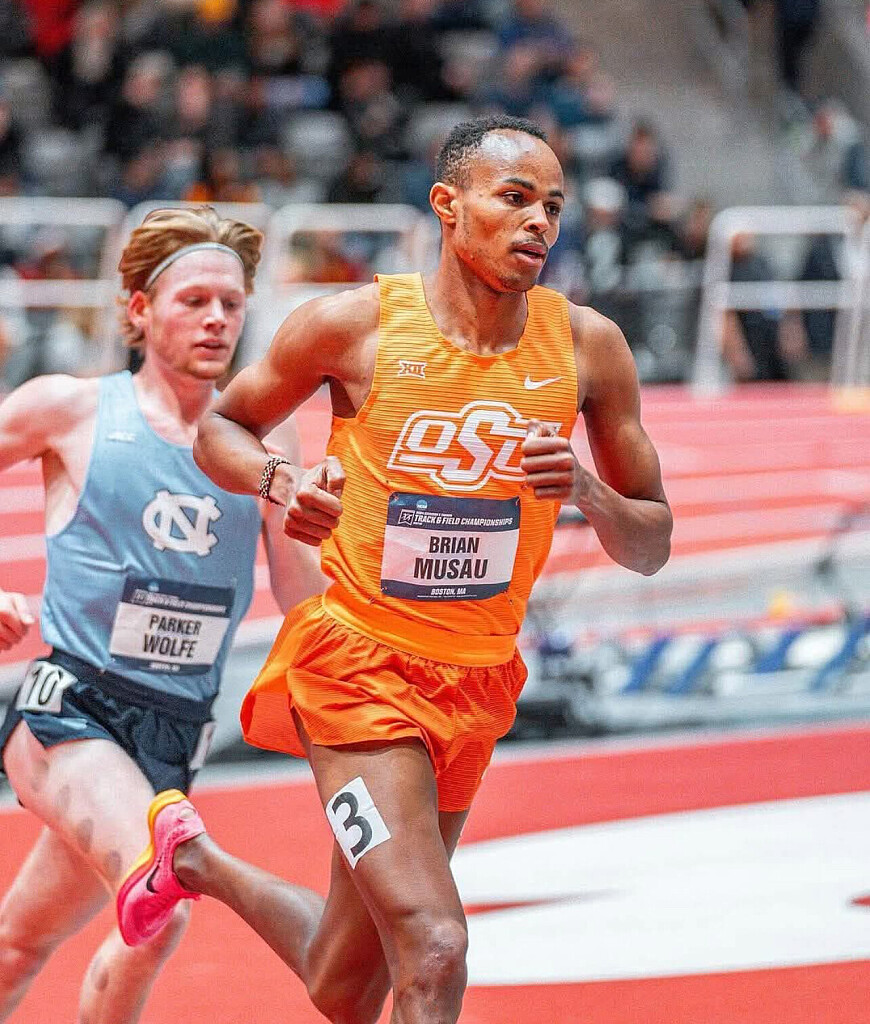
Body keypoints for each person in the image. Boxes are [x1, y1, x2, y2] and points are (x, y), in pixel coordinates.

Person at [118, 115, 673, 1024]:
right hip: (359, 669)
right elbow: (223, 425)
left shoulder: (587, 348)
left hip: (478, 680)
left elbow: (651, 543)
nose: (539, 221)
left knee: (346, 985)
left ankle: (192, 859)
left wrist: (587, 489)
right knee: (436, 945)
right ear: (448, 206)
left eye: (553, 205)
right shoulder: (354, 326)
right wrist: (280, 482)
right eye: (515, 197)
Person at [0, 205, 324, 1024]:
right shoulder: (70, 409)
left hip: (173, 736)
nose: (217, 319)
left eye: (232, 303)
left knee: (18, 944)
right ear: (140, 310)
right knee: (161, 899)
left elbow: (304, 598)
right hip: (70, 709)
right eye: (194, 301)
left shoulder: (264, 443)